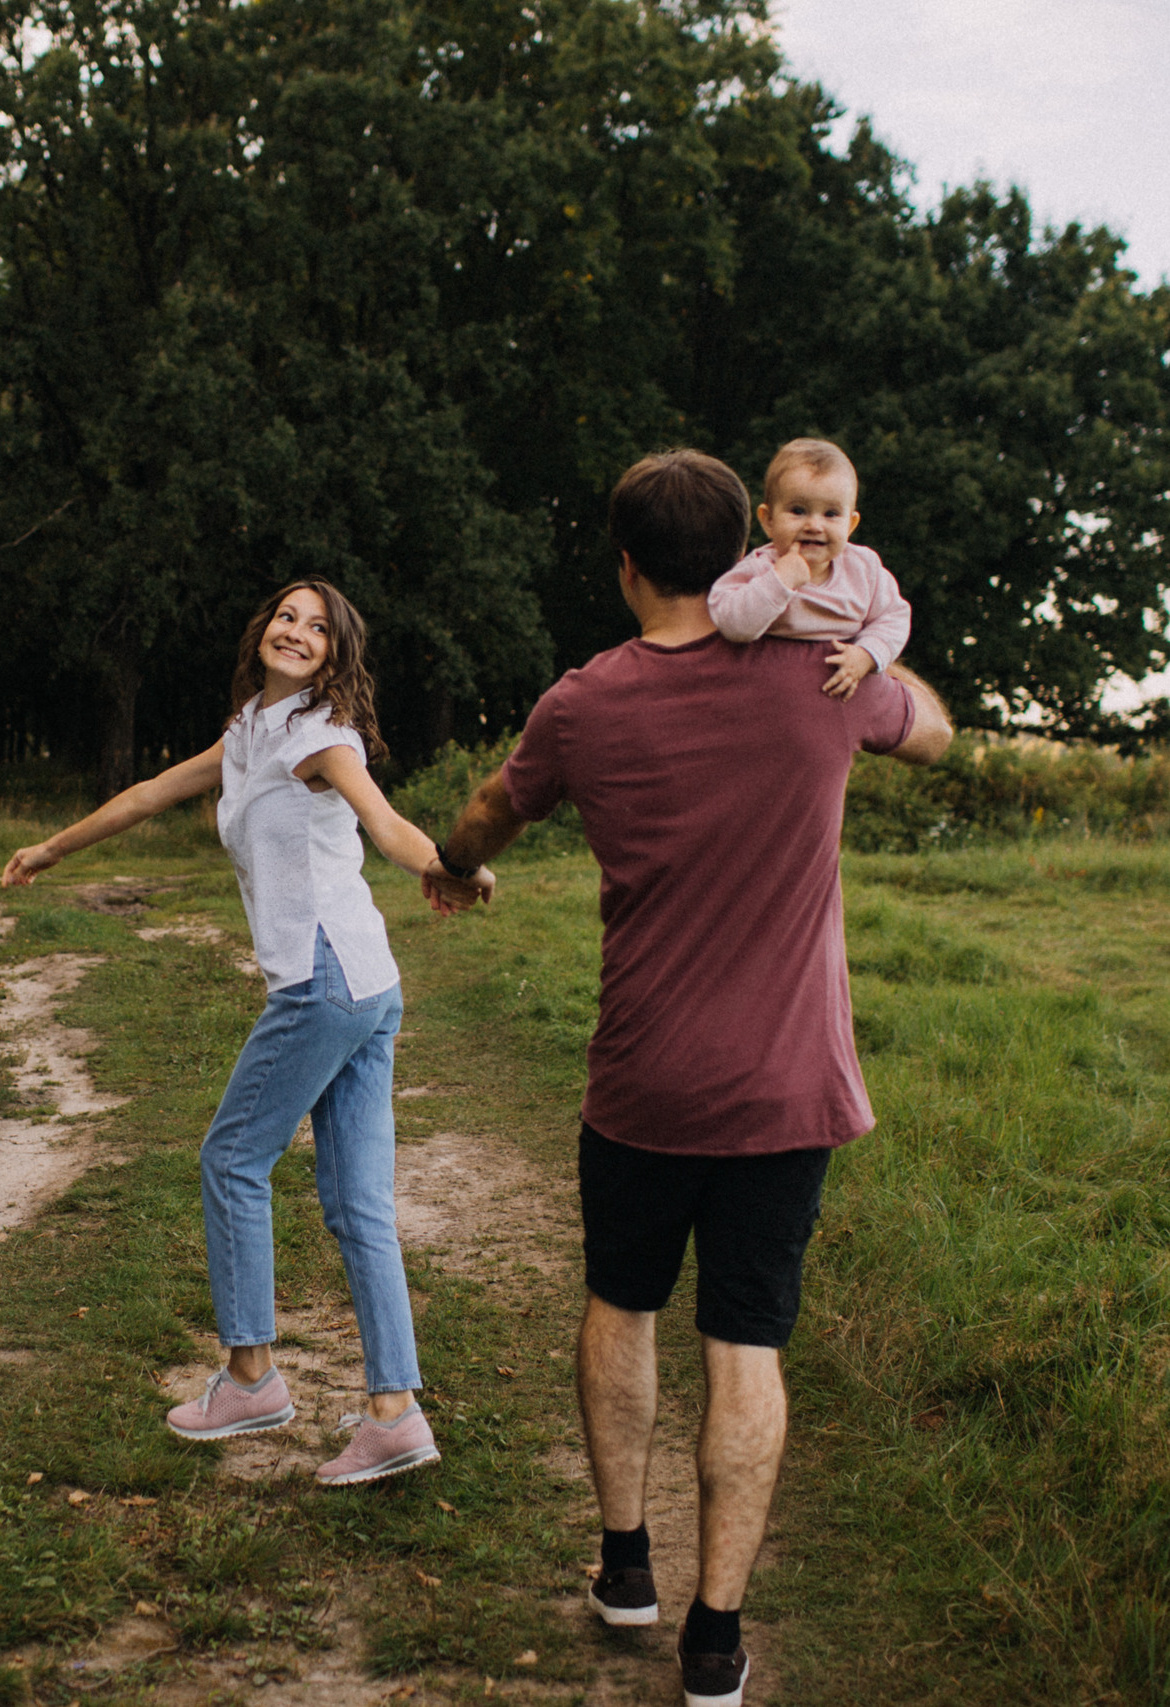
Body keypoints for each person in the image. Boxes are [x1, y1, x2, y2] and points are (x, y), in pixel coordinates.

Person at [427, 450, 951, 1707]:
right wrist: (860, 624)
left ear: (620, 566)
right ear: (741, 551)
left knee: (621, 1304)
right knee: (747, 1345)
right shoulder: (818, 686)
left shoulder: (582, 702)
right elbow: (931, 734)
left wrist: (452, 861)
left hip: (642, 1085)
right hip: (786, 1095)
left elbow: (493, 810)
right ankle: (714, 1639)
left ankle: (623, 1569)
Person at [3, 580, 489, 1487]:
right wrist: (52, 849)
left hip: (324, 981)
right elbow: (149, 793)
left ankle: (252, 1378)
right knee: (357, 1206)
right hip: (367, 982)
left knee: (232, 1158)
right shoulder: (250, 734)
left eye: (318, 626)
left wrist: (448, 864)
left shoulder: (316, 736)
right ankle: (394, 1412)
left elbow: (383, 819)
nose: (298, 631)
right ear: (262, 630)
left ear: (336, 657)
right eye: (287, 616)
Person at [707, 437, 911, 703]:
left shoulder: (863, 569)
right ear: (768, 520)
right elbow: (731, 622)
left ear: (851, 524)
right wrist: (780, 581)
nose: (814, 525)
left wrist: (868, 654)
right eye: (798, 510)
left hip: (836, 693)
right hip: (767, 696)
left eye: (831, 514)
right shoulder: (761, 569)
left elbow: (893, 616)